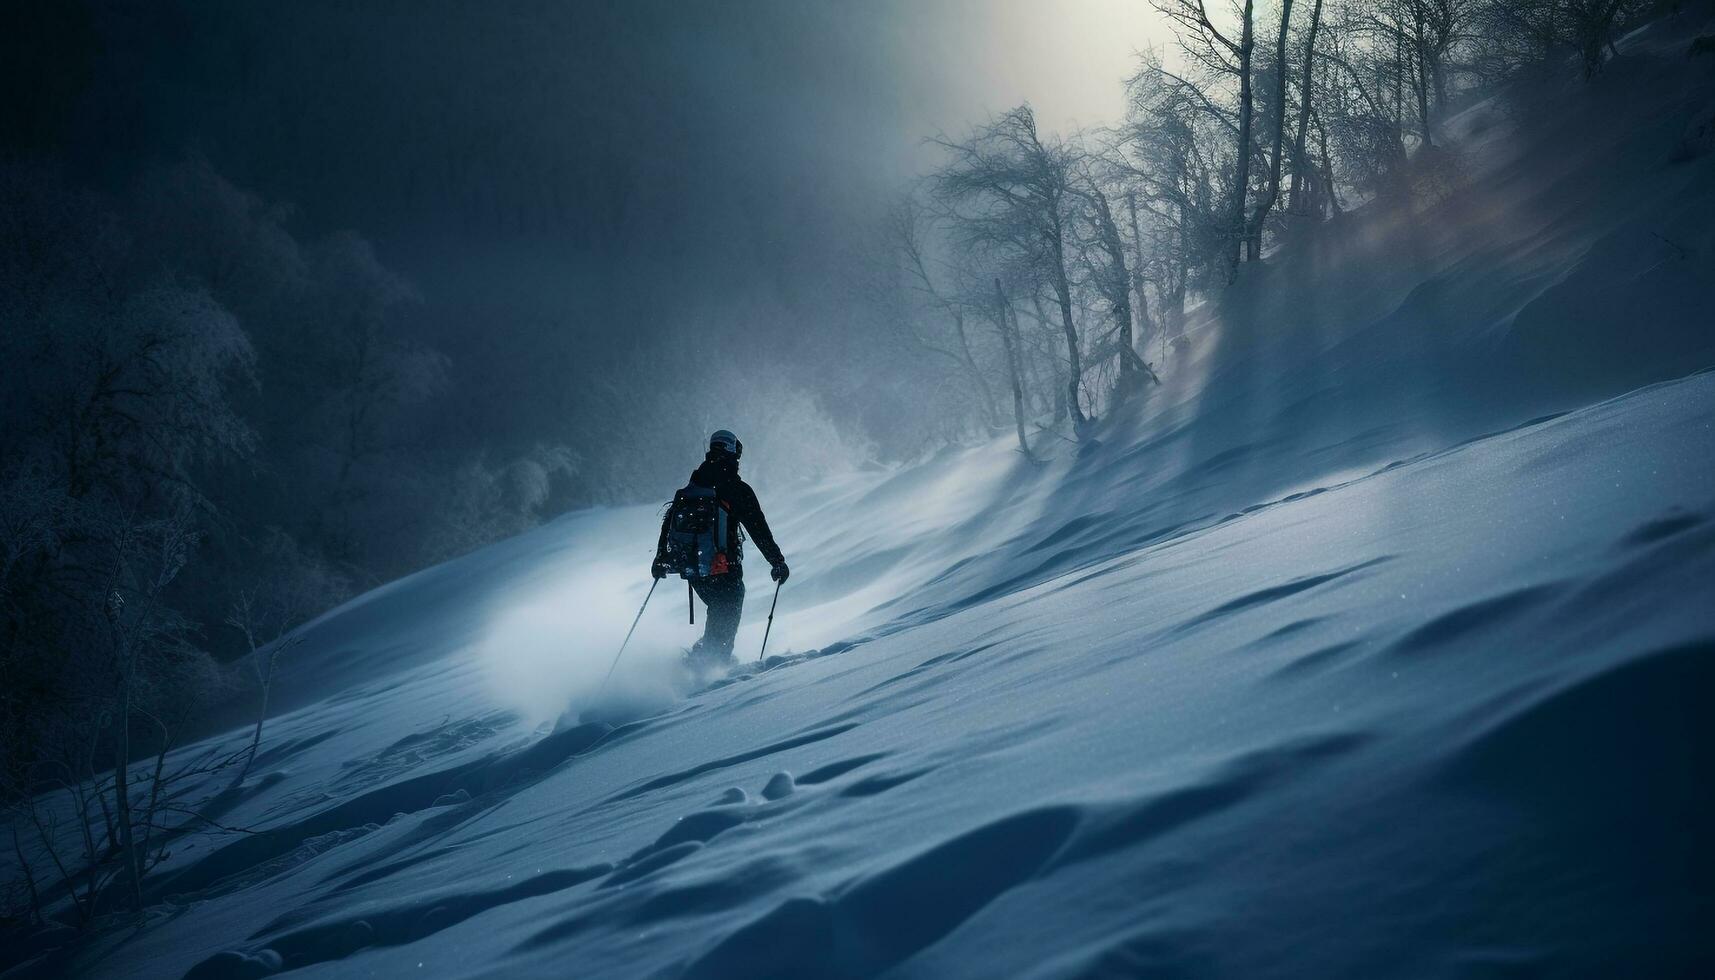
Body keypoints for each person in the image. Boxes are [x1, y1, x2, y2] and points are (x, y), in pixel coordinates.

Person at [653, 429, 788, 669]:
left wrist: (660, 558)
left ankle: (698, 664)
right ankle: (709, 674)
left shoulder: (694, 485)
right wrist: (777, 561)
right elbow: (758, 528)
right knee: (725, 617)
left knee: (718, 614)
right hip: (724, 568)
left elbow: (669, 520)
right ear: (734, 452)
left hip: (694, 568)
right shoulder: (736, 489)